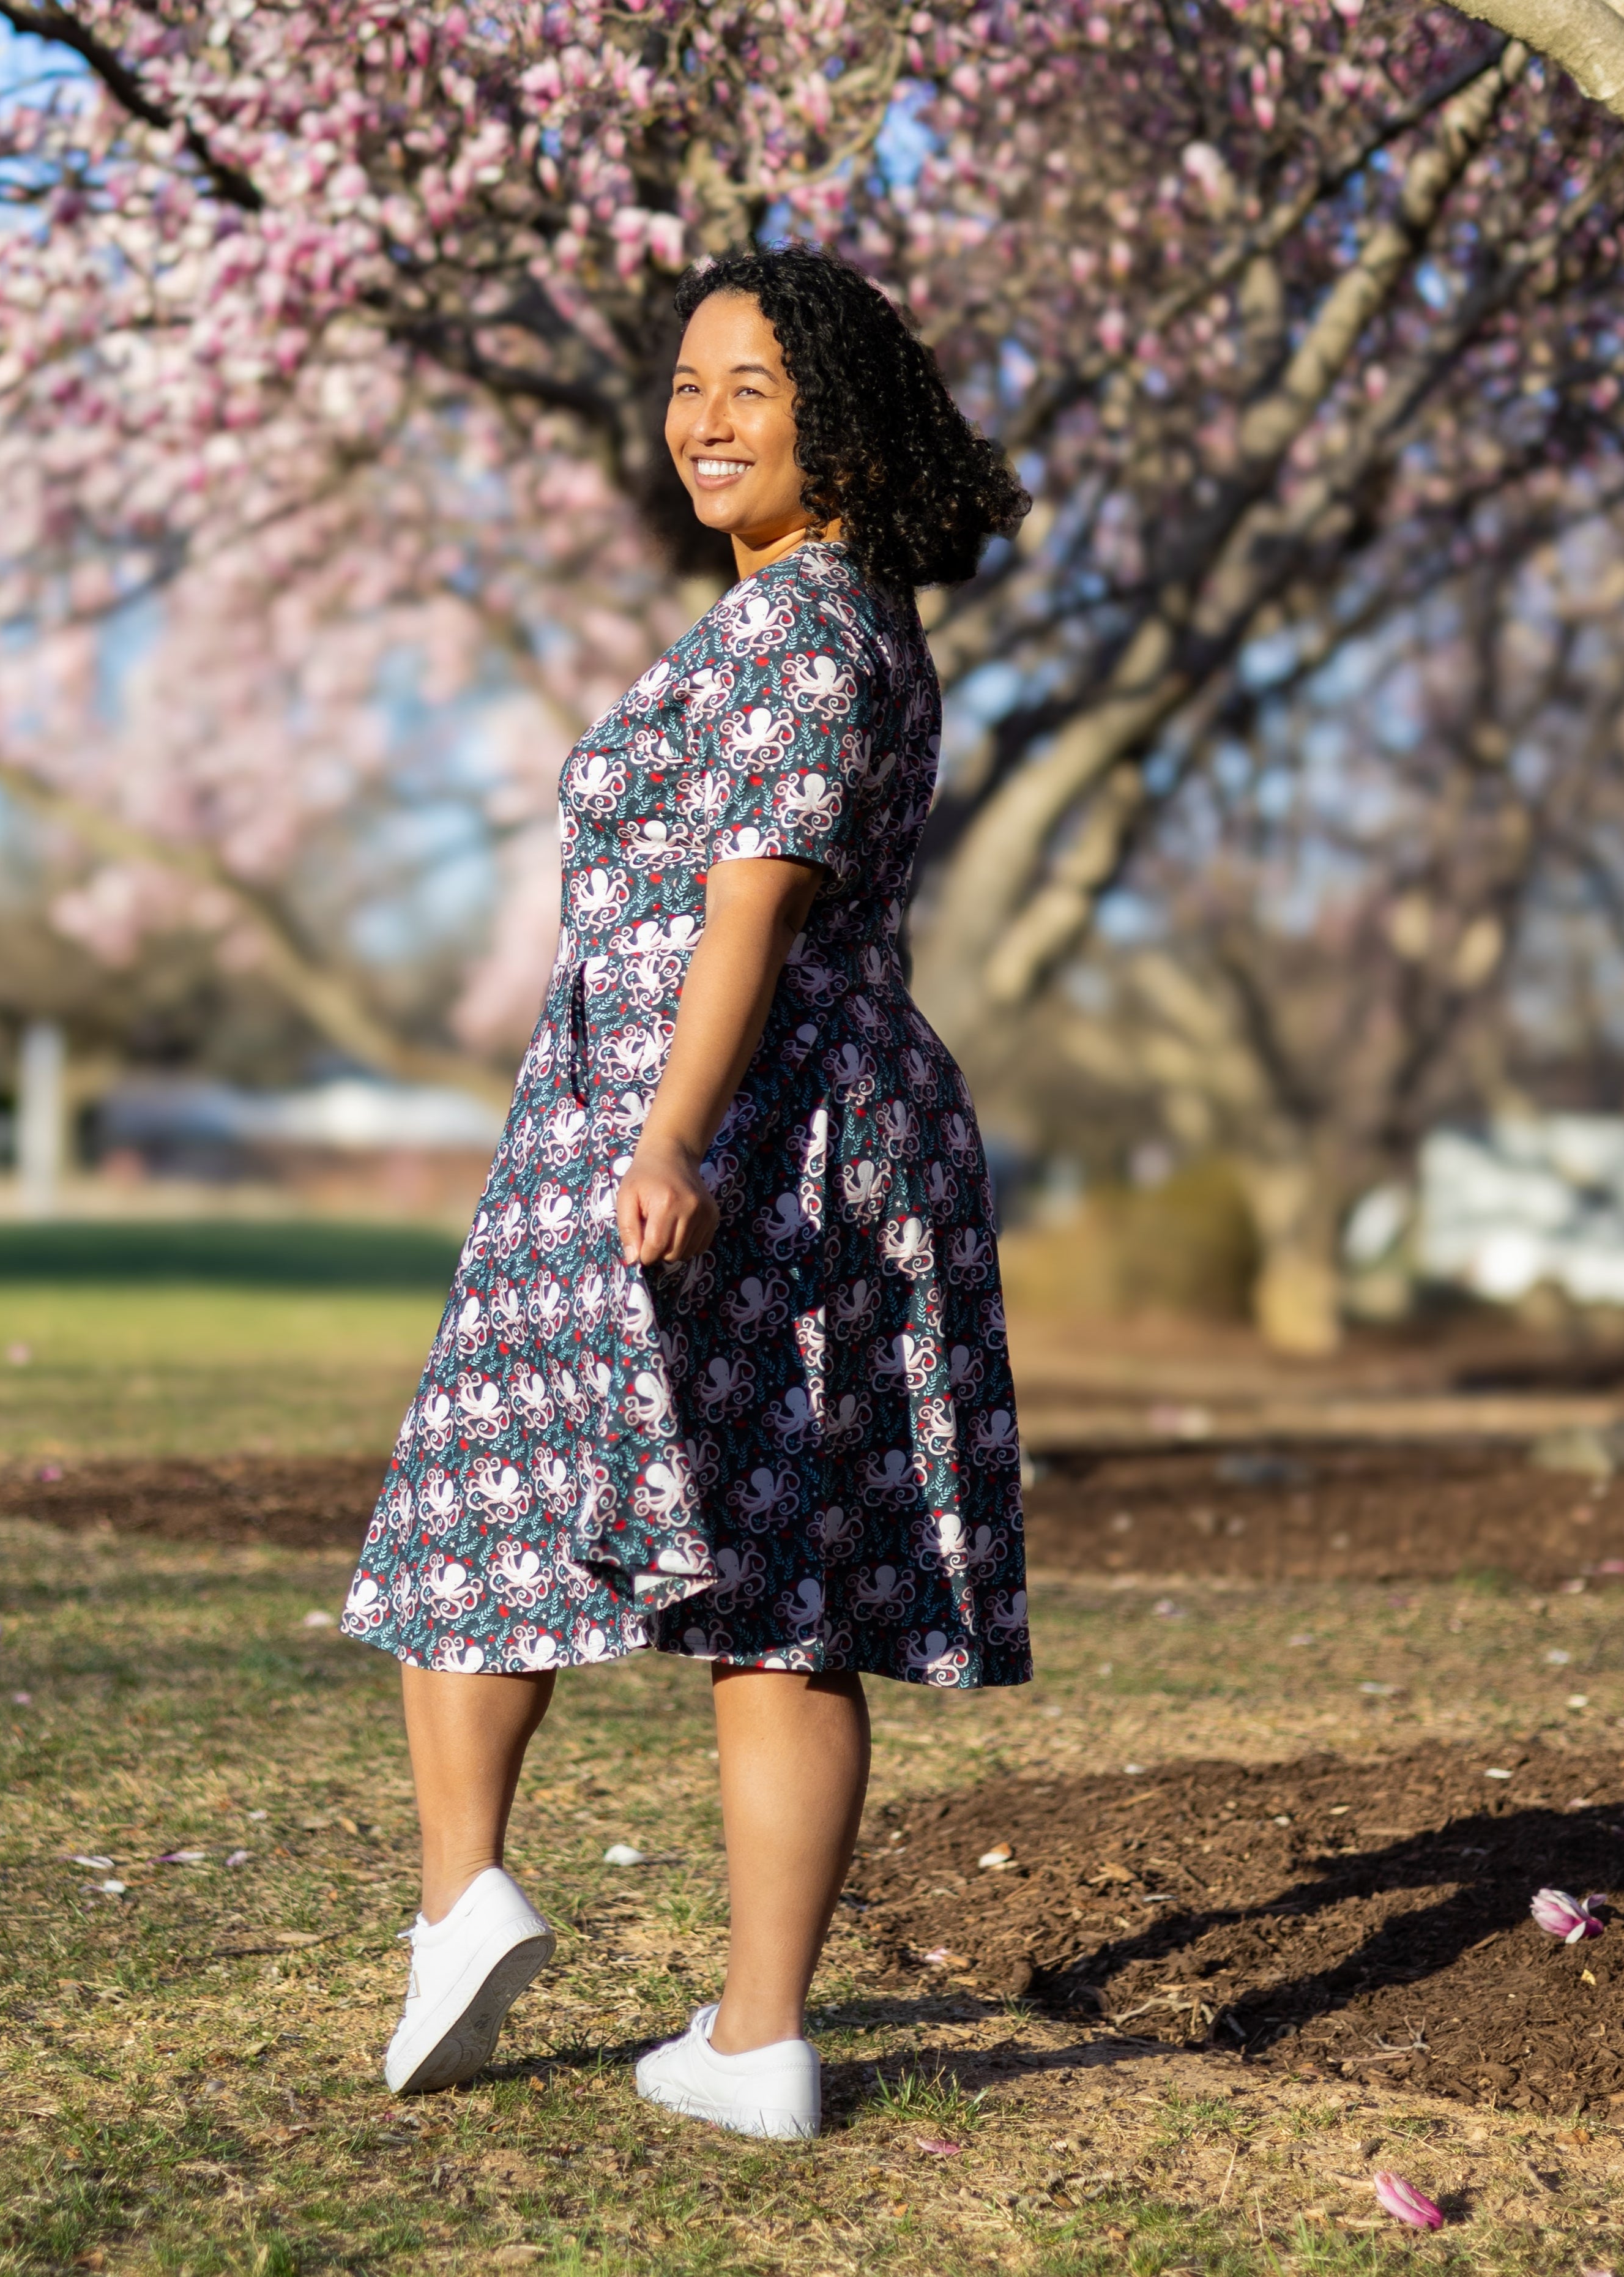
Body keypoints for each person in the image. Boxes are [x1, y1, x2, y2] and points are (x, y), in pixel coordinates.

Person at [340, 243, 1034, 2140]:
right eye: (683, 387)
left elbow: (755, 900)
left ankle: (470, 1898)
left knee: (502, 1490)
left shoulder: (812, 632)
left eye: (751, 387)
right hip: (752, 1115)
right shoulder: (809, 624)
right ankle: (745, 2037)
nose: (702, 422)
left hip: (733, 1118)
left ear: (839, 420)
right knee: (765, 1575)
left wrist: (668, 1133)